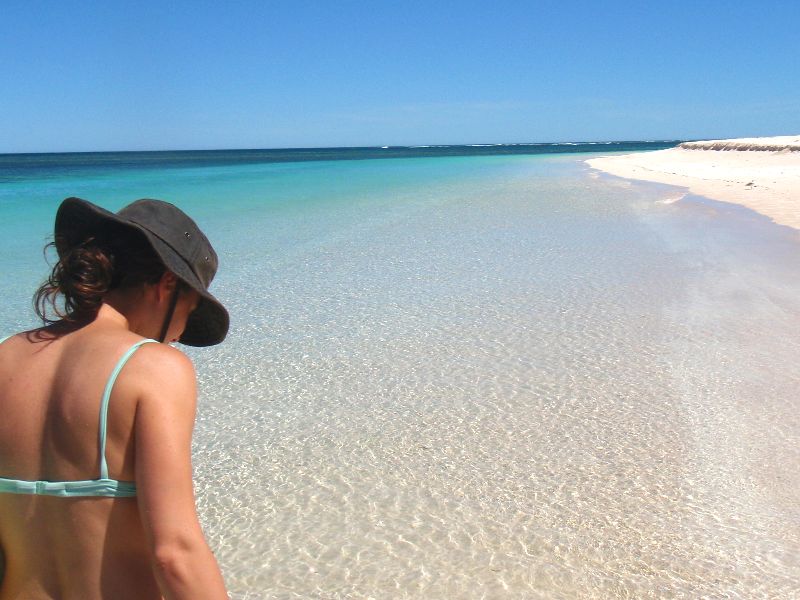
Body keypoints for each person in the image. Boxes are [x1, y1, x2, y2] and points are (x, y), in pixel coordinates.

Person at [0, 197, 230, 599]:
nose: (179, 334)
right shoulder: (153, 367)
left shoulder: (6, 356)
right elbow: (175, 553)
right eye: (189, 312)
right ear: (167, 285)